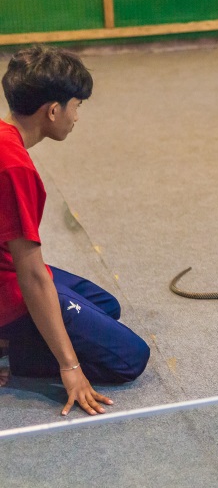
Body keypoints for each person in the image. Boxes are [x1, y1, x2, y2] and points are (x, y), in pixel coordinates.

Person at [1, 45, 149, 415]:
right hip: (10, 287)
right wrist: (70, 365)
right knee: (131, 357)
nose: (77, 117)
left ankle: (13, 340)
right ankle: (17, 352)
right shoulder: (14, 167)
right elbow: (32, 275)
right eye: (76, 106)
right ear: (53, 110)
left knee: (106, 307)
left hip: (9, 273)